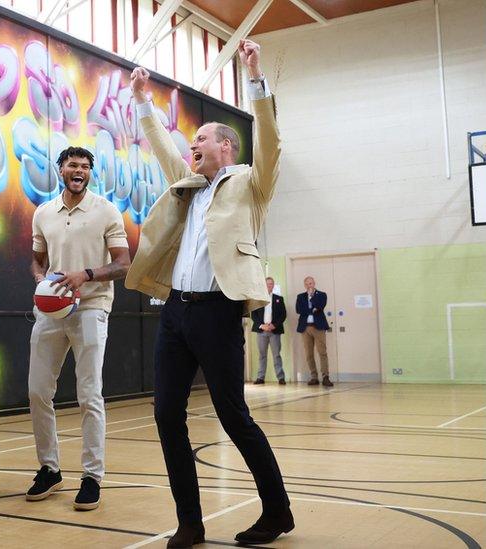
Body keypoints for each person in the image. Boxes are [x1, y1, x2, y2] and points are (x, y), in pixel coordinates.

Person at [125, 40, 294, 546]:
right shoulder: (189, 183)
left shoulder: (250, 182)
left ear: (227, 147)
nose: (191, 145)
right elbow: (161, 146)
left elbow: (270, 145)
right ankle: (190, 522)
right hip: (175, 312)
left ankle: (277, 512)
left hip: (219, 312)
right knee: (165, 414)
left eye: (200, 139)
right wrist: (141, 101)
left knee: (232, 414)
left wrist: (255, 76)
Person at [26, 147, 130, 511]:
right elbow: (38, 260)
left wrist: (85, 275)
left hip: (91, 305)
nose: (79, 170)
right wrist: (42, 279)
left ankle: (91, 476)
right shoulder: (43, 213)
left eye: (86, 166)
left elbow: (123, 264)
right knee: (38, 390)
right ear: (60, 170)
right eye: (73, 165)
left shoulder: (106, 210)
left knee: (89, 394)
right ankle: (49, 469)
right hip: (52, 309)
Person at [296, 276, 332, 387]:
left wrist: (311, 298)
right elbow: (299, 310)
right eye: (307, 284)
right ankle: (314, 377)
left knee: (322, 352)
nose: (309, 285)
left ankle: (325, 377)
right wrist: (312, 309)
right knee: (309, 354)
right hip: (305, 327)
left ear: (314, 283)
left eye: (310, 283)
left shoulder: (322, 295)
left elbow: (320, 305)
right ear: (304, 285)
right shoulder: (300, 296)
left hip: (318, 327)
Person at [251, 277, 287, 384]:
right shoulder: (258, 299)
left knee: (276, 355)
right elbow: (254, 315)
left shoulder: (279, 299)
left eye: (271, 284)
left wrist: (274, 325)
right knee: (262, 355)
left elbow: (283, 315)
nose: (269, 286)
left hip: (274, 331)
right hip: (262, 331)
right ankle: (260, 378)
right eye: (267, 284)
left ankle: (281, 378)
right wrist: (262, 325)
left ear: (273, 285)